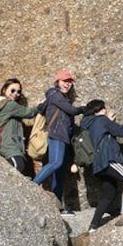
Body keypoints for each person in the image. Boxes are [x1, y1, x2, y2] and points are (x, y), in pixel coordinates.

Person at [33, 69, 85, 215]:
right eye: (64, 81)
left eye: (69, 82)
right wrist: (84, 109)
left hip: (64, 138)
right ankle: (32, 185)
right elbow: (71, 110)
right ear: (57, 82)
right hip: (56, 135)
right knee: (55, 163)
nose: (67, 85)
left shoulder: (60, 97)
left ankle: (57, 207)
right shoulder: (55, 95)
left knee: (60, 174)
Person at [81, 99, 123, 234]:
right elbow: (121, 131)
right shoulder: (102, 121)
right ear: (101, 110)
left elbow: (103, 134)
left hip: (98, 166)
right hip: (108, 159)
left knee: (108, 194)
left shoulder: (88, 123)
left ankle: (93, 225)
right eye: (105, 108)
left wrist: (108, 122)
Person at [0, 78, 43, 177]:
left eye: (18, 92)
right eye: (12, 90)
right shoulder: (9, 105)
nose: (15, 93)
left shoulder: (1, 104)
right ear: (4, 90)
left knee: (16, 167)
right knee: (17, 165)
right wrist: (43, 106)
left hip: (5, 142)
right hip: (8, 143)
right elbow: (29, 112)